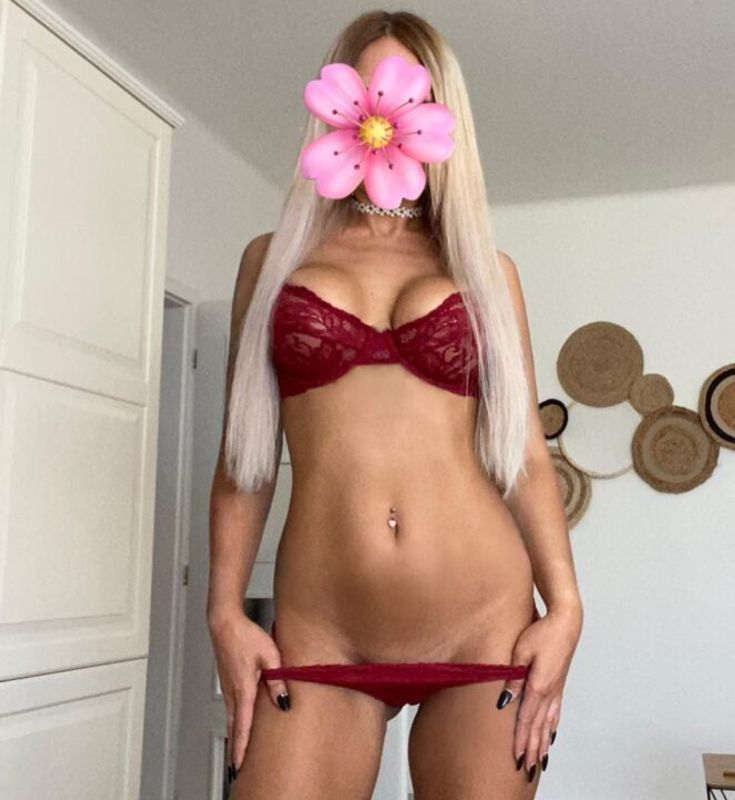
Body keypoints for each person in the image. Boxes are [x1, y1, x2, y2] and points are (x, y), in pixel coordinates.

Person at [207, 10, 583, 800]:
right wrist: (225, 612)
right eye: (367, 84)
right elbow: (245, 461)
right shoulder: (271, 263)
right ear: (335, 101)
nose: (385, 107)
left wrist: (567, 608)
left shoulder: (488, 272)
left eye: (408, 91)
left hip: (484, 628)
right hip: (321, 635)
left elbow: (523, 456)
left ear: (440, 109)